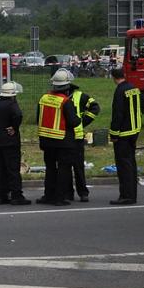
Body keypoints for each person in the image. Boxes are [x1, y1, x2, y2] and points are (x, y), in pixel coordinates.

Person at [36, 69, 81, 207]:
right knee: (63, 169)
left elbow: (39, 118)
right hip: (63, 142)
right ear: (67, 87)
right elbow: (74, 122)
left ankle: (48, 195)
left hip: (46, 141)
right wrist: (79, 118)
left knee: (50, 169)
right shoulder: (65, 101)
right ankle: (60, 198)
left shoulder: (43, 98)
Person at [0, 81, 29, 205]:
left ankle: (1, 196)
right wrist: (14, 127)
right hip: (10, 143)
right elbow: (18, 115)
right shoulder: (12, 105)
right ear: (12, 94)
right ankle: (16, 196)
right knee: (13, 169)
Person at [109, 68, 141, 205]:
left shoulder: (119, 91)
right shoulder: (133, 88)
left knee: (124, 166)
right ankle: (132, 194)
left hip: (123, 134)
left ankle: (126, 196)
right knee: (131, 164)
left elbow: (118, 114)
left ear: (114, 77)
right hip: (134, 132)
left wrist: (114, 134)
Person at [67, 72, 100, 202]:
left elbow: (95, 107)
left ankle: (83, 193)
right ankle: (68, 193)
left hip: (76, 137)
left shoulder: (80, 96)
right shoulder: (58, 97)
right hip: (63, 138)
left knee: (78, 167)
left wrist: (83, 122)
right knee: (65, 168)